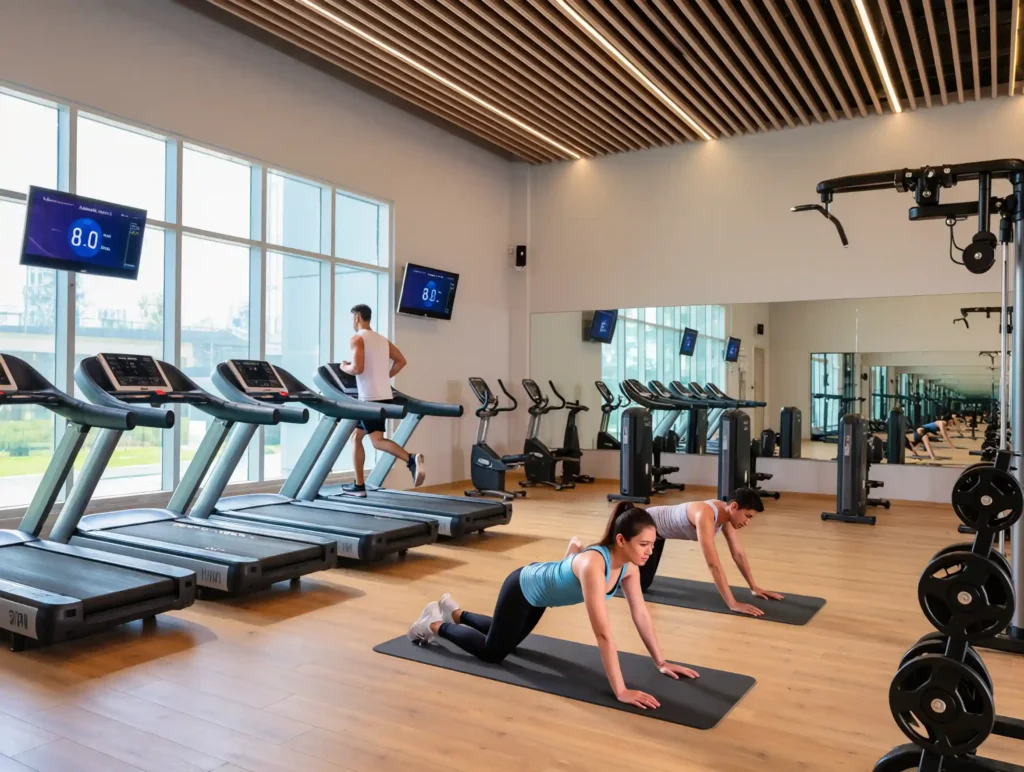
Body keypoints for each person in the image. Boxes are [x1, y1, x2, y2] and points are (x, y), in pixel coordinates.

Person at [407, 503, 698, 710]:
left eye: (653, 544)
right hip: (522, 587)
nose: (650, 552)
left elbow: (640, 613)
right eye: (644, 544)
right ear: (621, 540)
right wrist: (620, 690)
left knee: (508, 638)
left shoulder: (629, 567)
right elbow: (603, 634)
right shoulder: (594, 565)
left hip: (541, 597)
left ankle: (455, 612)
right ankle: (433, 623)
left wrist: (661, 662)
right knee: (493, 652)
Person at [637, 487, 782, 617]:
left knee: (643, 583)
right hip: (640, 527)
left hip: (657, 536)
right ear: (734, 506)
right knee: (635, 585)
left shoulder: (726, 515)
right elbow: (713, 564)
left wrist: (754, 587)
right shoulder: (704, 515)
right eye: (747, 516)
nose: (747, 522)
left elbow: (737, 553)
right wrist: (733, 604)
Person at [338, 304, 424, 497]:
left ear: (357, 317)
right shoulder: (382, 340)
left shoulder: (357, 338)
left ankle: (410, 459)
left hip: (369, 398)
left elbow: (357, 368)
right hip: (383, 395)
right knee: (356, 437)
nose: (352, 321)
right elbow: (401, 361)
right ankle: (359, 485)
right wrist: (384, 376)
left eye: (352, 318)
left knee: (377, 441)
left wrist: (344, 366)